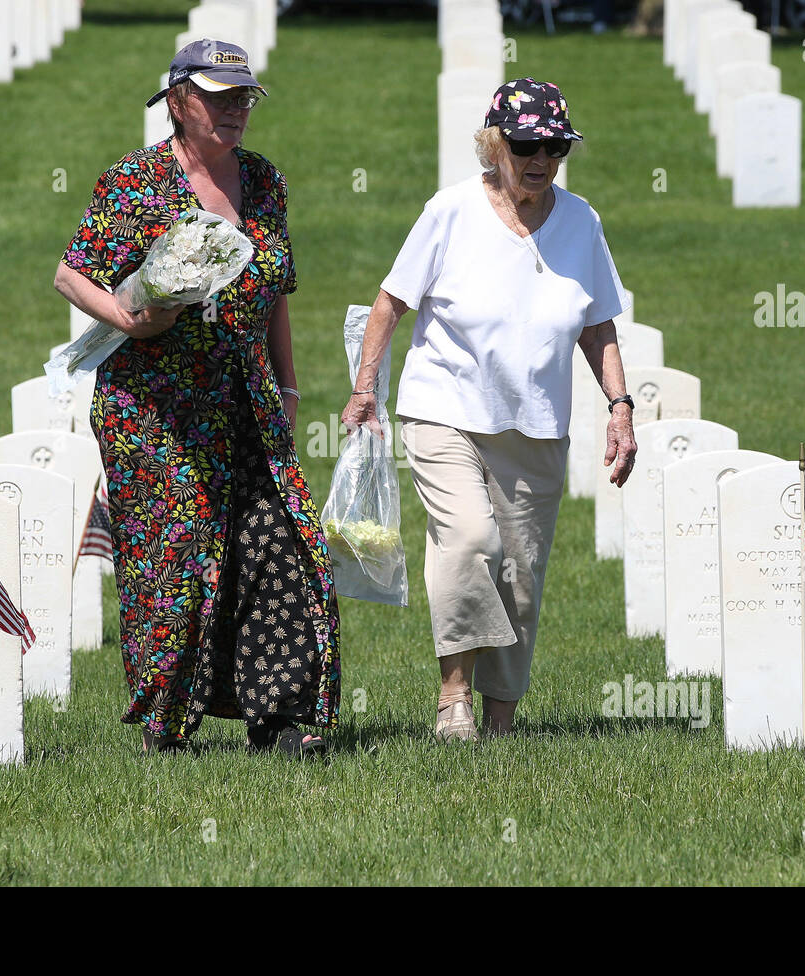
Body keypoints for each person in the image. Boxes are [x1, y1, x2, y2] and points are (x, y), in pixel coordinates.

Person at [54, 39, 340, 756]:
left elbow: (275, 292)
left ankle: (276, 717)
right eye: (219, 97)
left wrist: (289, 384)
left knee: (278, 540)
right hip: (153, 404)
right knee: (177, 558)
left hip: (244, 393)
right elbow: (71, 274)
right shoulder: (135, 182)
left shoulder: (264, 181)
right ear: (178, 100)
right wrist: (128, 317)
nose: (236, 109)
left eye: (244, 97)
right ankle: (168, 727)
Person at [341, 79, 636, 741]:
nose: (542, 157)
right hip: (444, 408)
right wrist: (366, 390)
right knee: (471, 540)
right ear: (495, 144)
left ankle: (502, 719)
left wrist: (620, 407)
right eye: (528, 143)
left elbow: (598, 324)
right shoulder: (451, 212)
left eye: (555, 146)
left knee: (521, 575)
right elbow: (391, 303)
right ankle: (454, 699)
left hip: (534, 422)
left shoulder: (581, 222)